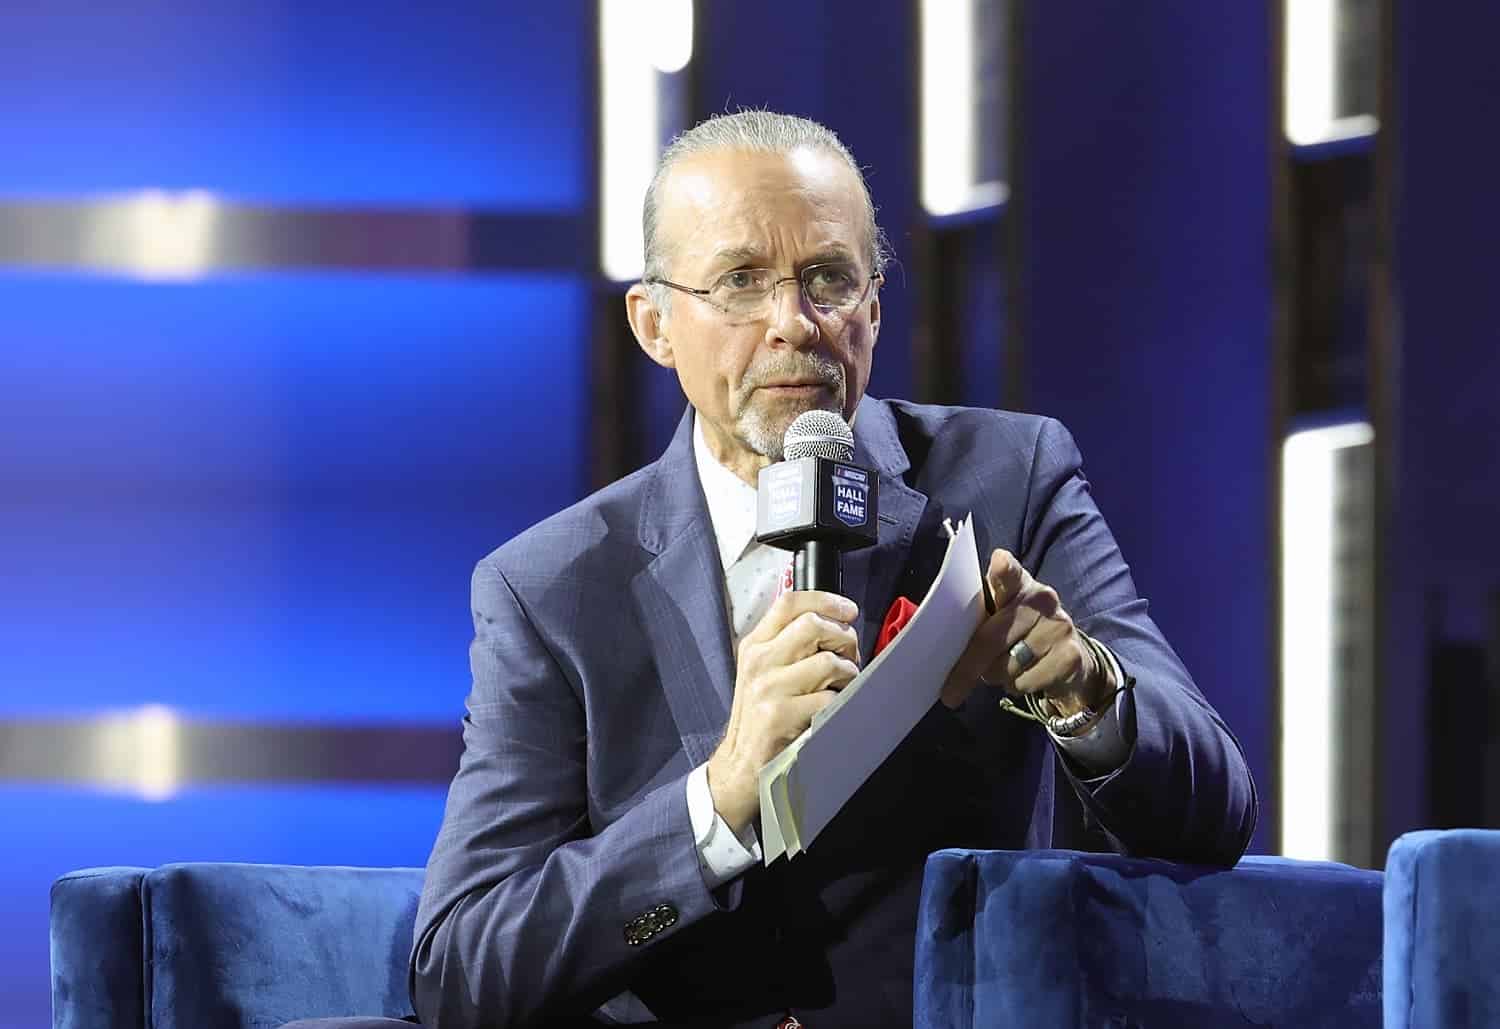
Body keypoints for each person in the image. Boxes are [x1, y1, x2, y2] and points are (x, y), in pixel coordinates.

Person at [410, 111, 1256, 1028]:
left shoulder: (1009, 479)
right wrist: (722, 798)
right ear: (654, 323)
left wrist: (1087, 693)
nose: (794, 324)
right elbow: (463, 970)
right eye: (740, 282)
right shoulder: (550, 588)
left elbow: (1216, 810)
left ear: (875, 307)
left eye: (828, 280)